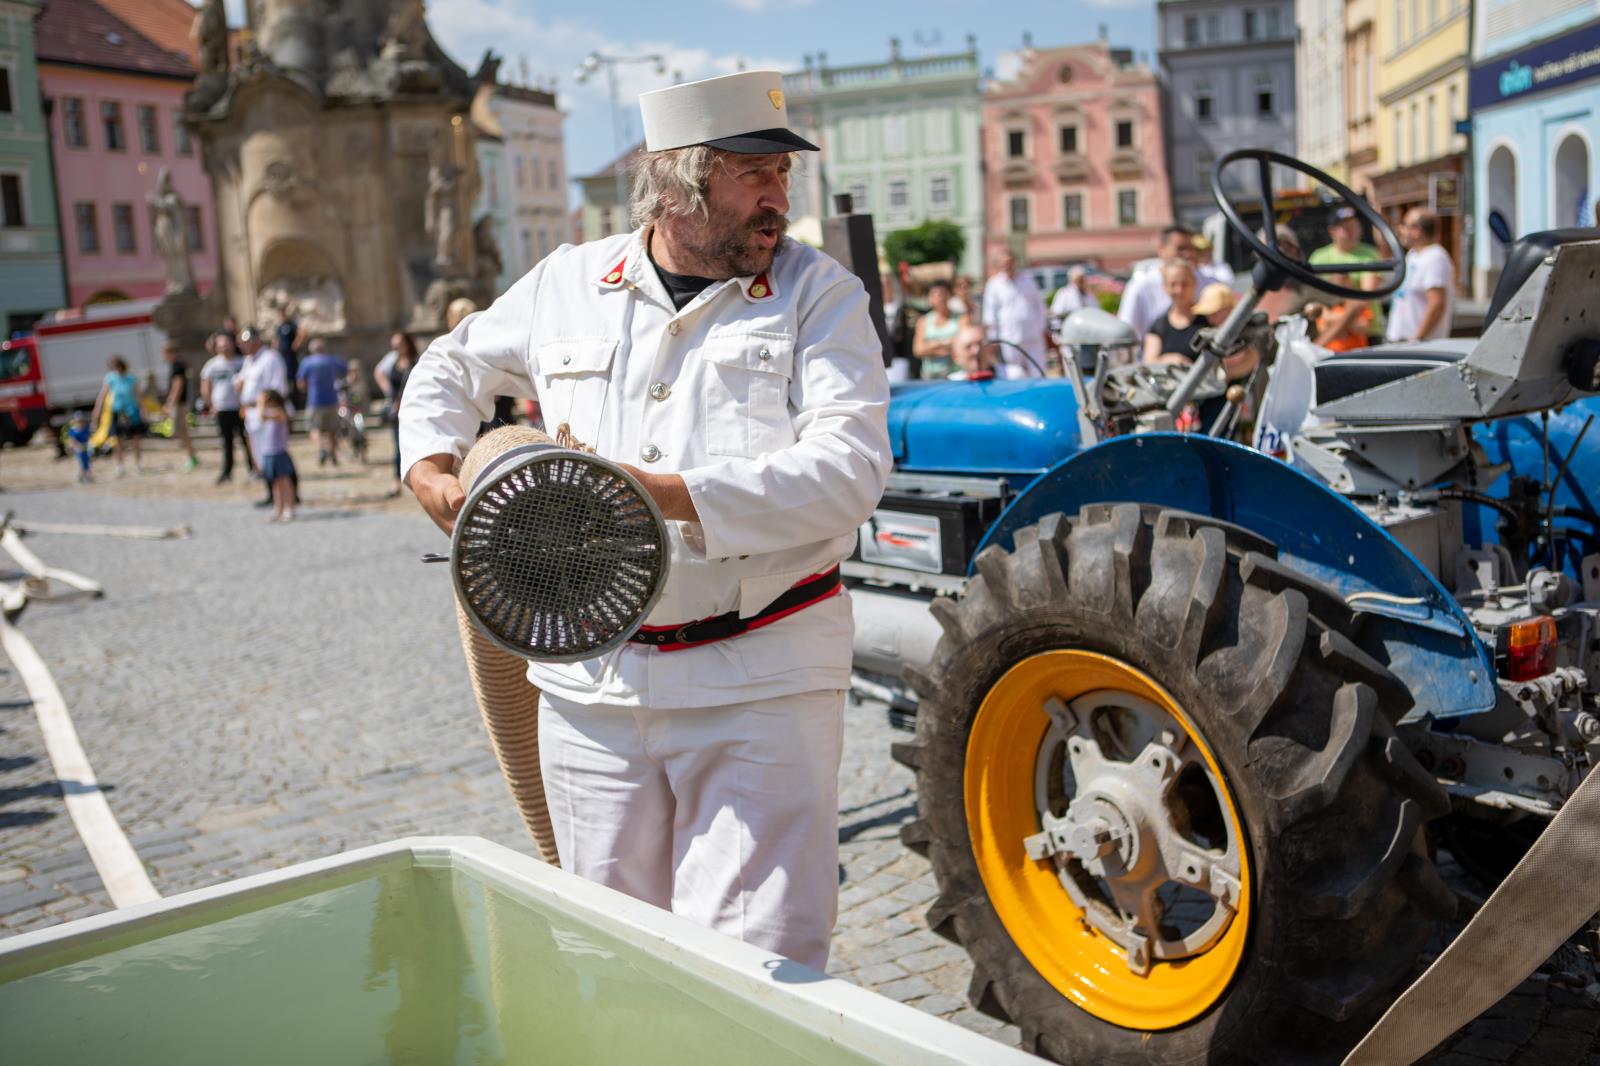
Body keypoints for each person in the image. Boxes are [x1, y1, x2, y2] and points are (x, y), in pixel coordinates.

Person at [401, 69, 892, 973]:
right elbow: (447, 365)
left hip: (762, 681)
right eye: (756, 176)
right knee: (605, 953)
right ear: (679, 185)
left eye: (784, 176)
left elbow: (851, 472)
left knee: (761, 965)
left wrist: (657, 492)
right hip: (595, 687)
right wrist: (427, 467)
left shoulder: (821, 296)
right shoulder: (567, 283)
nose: (779, 198)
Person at [1307, 206, 1386, 350]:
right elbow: (1313, 298)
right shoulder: (1319, 258)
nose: (1353, 232)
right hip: (1331, 336)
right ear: (1332, 231)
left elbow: (1366, 296)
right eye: (1346, 228)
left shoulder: (1369, 254)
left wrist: (1331, 317)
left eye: (1355, 226)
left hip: (1367, 333)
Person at [238, 326, 292, 507]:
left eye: (246, 342)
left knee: (275, 455)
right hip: (253, 413)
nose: (243, 346)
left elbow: (276, 388)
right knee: (262, 457)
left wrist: (266, 409)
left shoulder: (270, 358)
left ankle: (289, 495)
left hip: (268, 413)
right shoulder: (249, 361)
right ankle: (273, 494)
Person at [1385, 209, 1455, 343]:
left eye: (1404, 224)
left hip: (1419, 345)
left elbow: (1437, 304)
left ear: (1417, 230)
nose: (1400, 229)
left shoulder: (1435, 257)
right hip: (1401, 341)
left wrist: (1418, 337)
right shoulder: (1413, 254)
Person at [1117, 225, 1197, 336]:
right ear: (1161, 249)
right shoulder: (1141, 286)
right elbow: (1127, 330)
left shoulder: (1205, 280)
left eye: (1191, 248)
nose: (1188, 254)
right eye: (1181, 248)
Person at [981, 250, 1050, 378]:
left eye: (1009, 262)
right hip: (1009, 338)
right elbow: (990, 313)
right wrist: (993, 338)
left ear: (1015, 263)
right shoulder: (994, 284)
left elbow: (1040, 306)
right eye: (1003, 263)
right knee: (1015, 374)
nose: (1007, 266)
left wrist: (1040, 327)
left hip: (1032, 336)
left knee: (1038, 371)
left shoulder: (1028, 280)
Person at [201, 331, 253, 483]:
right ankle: (227, 472)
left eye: (227, 343)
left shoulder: (242, 362)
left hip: (240, 407)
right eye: (221, 344)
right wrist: (210, 405)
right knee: (227, 442)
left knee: (246, 441)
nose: (224, 347)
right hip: (222, 408)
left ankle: (253, 468)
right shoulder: (212, 365)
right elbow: (206, 386)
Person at [296, 337, 349, 467]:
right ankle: (333, 454)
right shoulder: (332, 360)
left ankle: (322, 448)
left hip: (315, 401)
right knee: (332, 430)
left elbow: (301, 383)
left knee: (314, 428)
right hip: (332, 399)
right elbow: (348, 370)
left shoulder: (307, 362)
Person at [1143, 260, 1203, 366]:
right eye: (1173, 284)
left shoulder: (1208, 319)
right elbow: (1149, 362)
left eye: (1184, 284)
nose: (1179, 290)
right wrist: (1173, 360)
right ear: (1165, 287)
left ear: (1194, 283)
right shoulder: (1159, 325)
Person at [91, 355, 143, 476]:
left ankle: (138, 464)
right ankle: (120, 465)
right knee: (117, 439)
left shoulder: (131, 377)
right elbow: (103, 394)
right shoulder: (110, 378)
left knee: (135, 438)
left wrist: (143, 410)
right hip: (117, 411)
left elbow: (138, 395)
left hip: (131, 411)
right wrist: (97, 409)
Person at [384, 332, 418, 494]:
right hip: (397, 411)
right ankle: (396, 481)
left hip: (414, 409)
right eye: (394, 345)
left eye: (398, 344)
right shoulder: (393, 363)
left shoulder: (416, 362)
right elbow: (381, 373)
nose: (396, 348)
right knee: (398, 447)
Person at [256, 389, 296, 522]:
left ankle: (289, 508)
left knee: (285, 481)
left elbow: (262, 416)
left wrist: (260, 401)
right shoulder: (269, 412)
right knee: (275, 483)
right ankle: (278, 508)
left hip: (279, 451)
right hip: (269, 452)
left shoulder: (279, 412)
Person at [913, 280, 964, 379]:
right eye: (935, 295)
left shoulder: (960, 318)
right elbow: (918, 350)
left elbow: (962, 344)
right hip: (929, 375)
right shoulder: (923, 321)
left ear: (949, 295)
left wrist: (930, 346)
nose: (939, 298)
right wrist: (945, 343)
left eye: (942, 294)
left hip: (954, 373)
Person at [161, 342, 198, 471]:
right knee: (182, 430)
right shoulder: (177, 365)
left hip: (179, 403)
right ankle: (191, 455)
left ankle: (191, 456)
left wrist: (170, 402)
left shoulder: (177, 366)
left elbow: (178, 385)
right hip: (180, 402)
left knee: (179, 430)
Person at [67, 410, 92, 483]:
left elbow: (89, 437)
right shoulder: (73, 430)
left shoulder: (86, 429)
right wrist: (75, 446)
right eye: (78, 421)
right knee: (80, 463)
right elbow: (72, 440)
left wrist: (91, 444)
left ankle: (87, 476)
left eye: (81, 421)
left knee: (88, 462)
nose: (80, 423)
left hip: (86, 448)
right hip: (78, 450)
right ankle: (81, 476)